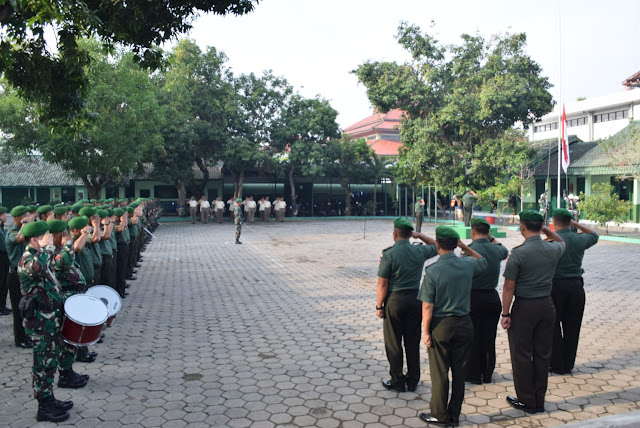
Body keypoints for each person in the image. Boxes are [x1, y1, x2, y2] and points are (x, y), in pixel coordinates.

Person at [418, 226, 486, 426]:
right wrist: (465, 246)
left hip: (441, 325)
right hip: (465, 323)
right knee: (459, 373)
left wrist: (425, 331)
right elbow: (483, 261)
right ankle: (454, 415)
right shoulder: (467, 265)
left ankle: (439, 415)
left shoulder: (432, 271)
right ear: (455, 245)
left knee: (440, 373)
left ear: (437, 244)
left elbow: (428, 305)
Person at [501, 210, 565, 414]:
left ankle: (527, 401)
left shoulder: (518, 253)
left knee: (521, 355)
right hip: (547, 305)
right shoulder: (553, 249)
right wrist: (546, 229)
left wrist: (505, 313)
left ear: (522, 227)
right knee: (543, 354)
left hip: (524, 308)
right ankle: (539, 400)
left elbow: (509, 287)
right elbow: (562, 241)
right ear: (541, 227)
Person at [17, 221, 72, 422]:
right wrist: (48, 246)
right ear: (34, 239)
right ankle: (43, 407)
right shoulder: (27, 260)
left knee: (50, 361)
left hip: (50, 319)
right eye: (45, 235)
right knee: (41, 364)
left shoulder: (39, 255)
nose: (49, 237)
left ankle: (49, 398)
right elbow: (39, 269)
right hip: (40, 322)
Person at [376, 218, 437, 393]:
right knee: (412, 341)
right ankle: (413, 380)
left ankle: (397, 380)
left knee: (393, 342)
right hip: (415, 299)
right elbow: (437, 245)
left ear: (395, 233)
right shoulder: (419, 251)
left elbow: (382, 284)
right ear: (410, 234)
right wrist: (419, 235)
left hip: (394, 300)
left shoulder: (389, 254)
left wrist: (379, 306)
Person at [550, 208, 598, 375]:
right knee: (572, 326)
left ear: (554, 222)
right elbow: (594, 235)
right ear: (570, 222)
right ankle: (568, 363)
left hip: (555, 287)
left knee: (553, 326)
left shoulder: (551, 241)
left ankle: (556, 363)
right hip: (576, 287)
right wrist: (575, 223)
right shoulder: (579, 239)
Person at [465, 218, 509, 385]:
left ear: (472, 232)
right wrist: (490, 238)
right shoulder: (496, 249)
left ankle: (473, 374)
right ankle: (487, 373)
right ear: (488, 232)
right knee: (489, 337)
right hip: (492, 298)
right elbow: (504, 250)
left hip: (472, 298)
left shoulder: (469, 250)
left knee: (473, 336)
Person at [47, 220, 89, 389]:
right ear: (57, 236)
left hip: (73, 297)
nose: (69, 237)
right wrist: (68, 244)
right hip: (65, 298)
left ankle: (68, 370)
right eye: (65, 234)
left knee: (71, 340)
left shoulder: (62, 249)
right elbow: (62, 262)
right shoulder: (52, 253)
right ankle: (64, 374)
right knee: (66, 339)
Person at [5, 205, 33, 348]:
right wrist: (24, 225)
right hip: (15, 274)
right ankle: (19, 338)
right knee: (17, 308)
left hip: (24, 274)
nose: (28, 217)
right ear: (18, 218)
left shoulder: (22, 229)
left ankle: (25, 334)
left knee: (25, 306)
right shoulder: (12, 232)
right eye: (25, 216)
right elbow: (19, 239)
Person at [0, 206, 11, 315]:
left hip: (5, 257)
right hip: (1, 257)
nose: (5, 216)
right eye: (3, 214)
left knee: (4, 283)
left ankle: (3, 305)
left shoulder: (3, 228)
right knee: (1, 282)